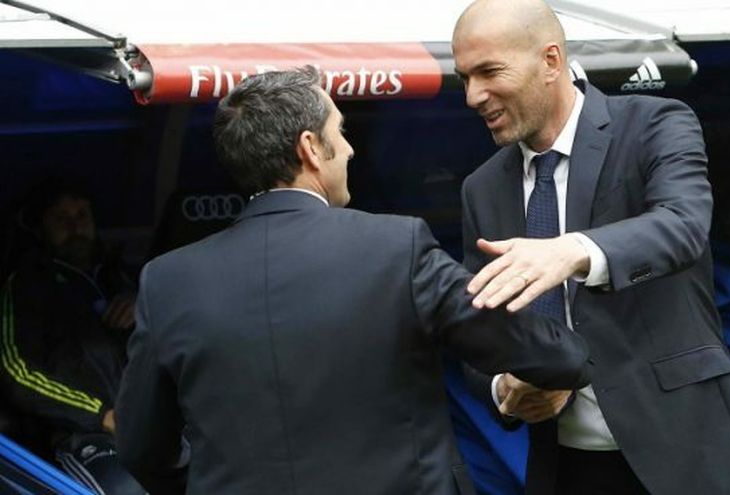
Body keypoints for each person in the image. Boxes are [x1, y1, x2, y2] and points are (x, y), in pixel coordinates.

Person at [114, 67, 593, 495]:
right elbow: (531, 348)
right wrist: (569, 345)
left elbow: (141, 448)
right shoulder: (395, 248)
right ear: (310, 148)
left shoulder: (167, 282)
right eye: (339, 131)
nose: (349, 148)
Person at [451, 1, 730, 494]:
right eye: (464, 78)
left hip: (692, 455)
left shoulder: (655, 123)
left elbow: (683, 226)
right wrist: (506, 388)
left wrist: (572, 251)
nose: (473, 96)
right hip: (569, 469)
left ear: (550, 61)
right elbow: (476, 332)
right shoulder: (481, 189)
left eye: (489, 71)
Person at [0, 180, 145, 494]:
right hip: (81, 435)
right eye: (61, 218)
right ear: (40, 228)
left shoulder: (121, 278)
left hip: (150, 421)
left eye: (82, 215)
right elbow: (16, 371)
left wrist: (144, 306)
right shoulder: (26, 284)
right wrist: (100, 414)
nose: (75, 226)